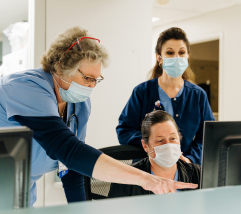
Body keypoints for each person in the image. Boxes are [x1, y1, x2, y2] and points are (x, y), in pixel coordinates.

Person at [0, 27, 197, 207]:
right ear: (60, 67)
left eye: (97, 80)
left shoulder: (79, 105)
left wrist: (80, 210)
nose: (92, 86)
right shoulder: (26, 89)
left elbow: (72, 167)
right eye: (87, 78)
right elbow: (68, 150)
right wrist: (146, 179)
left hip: (20, 192)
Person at [116, 27, 215, 165]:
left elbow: (208, 137)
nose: (177, 57)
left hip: (184, 169)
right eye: (170, 52)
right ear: (159, 58)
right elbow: (124, 130)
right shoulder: (142, 92)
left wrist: (190, 159)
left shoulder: (197, 95)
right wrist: (154, 144)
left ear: (187, 56)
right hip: (147, 169)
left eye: (181, 52)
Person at [109, 110, 200, 198]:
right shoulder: (125, 180)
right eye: (160, 141)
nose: (168, 146)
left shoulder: (198, 174)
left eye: (172, 138)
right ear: (145, 146)